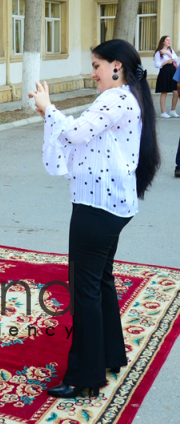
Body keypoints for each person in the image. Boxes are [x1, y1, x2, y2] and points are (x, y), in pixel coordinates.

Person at [28, 39, 160, 398]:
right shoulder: (129, 96)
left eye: (97, 66)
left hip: (97, 206)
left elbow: (75, 133)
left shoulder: (115, 98)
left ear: (116, 66)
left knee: (85, 290)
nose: (92, 73)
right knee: (100, 280)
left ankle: (85, 378)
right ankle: (109, 355)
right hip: (111, 204)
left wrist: (47, 109)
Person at [153, 35, 179, 118]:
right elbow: (156, 64)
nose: (169, 41)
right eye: (167, 40)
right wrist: (166, 62)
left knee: (176, 92)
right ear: (163, 41)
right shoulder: (158, 52)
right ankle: (163, 112)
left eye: (170, 40)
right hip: (164, 71)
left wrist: (168, 53)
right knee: (164, 92)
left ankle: (173, 110)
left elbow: (176, 59)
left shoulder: (170, 50)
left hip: (172, 71)